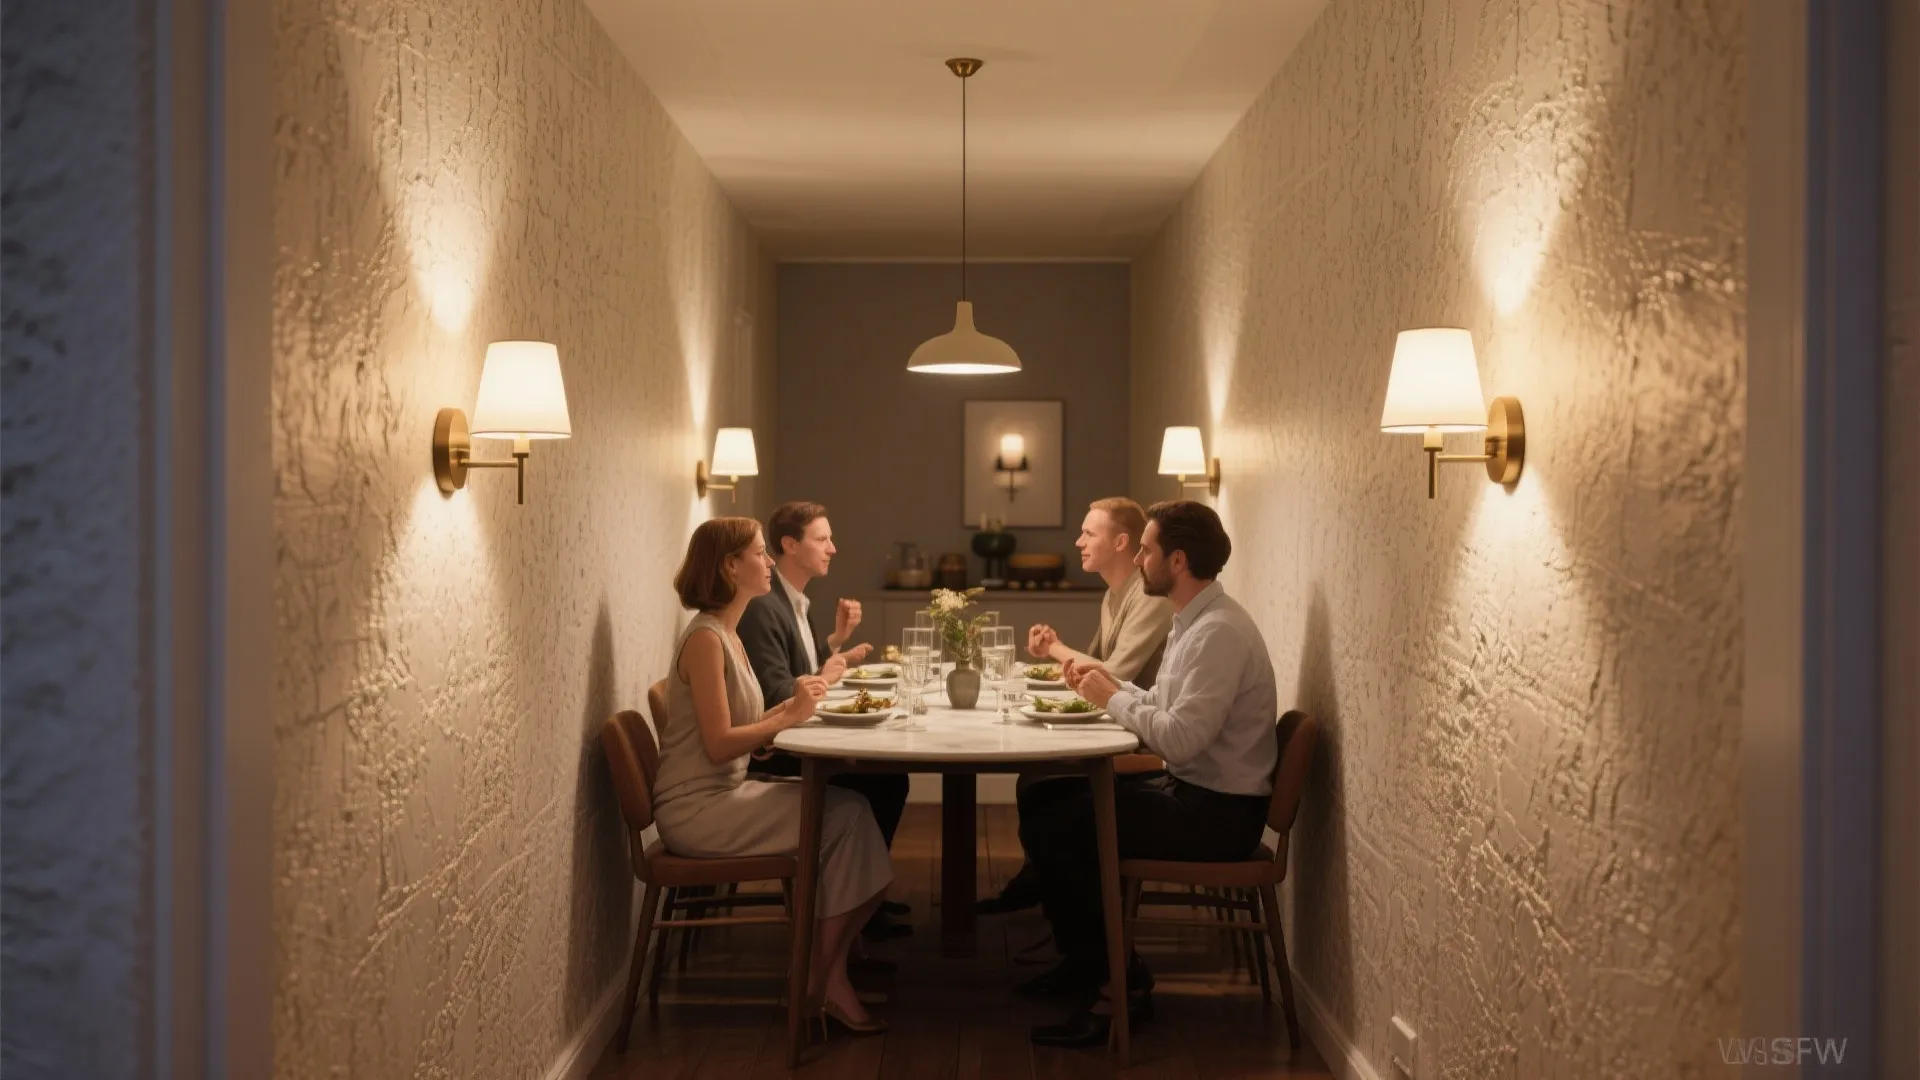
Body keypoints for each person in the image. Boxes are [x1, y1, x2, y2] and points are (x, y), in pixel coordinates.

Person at [1020, 501, 1279, 1047]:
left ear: (1178, 560)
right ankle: (1088, 963)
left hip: (1218, 814)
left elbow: (1180, 738)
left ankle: (1120, 987)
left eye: (1147, 549)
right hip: (1195, 791)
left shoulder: (1219, 634)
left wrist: (1111, 698)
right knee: (1049, 800)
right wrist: (1110, 688)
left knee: (1065, 823)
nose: (1138, 559)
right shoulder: (1195, 621)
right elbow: (1161, 702)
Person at [652, 517, 892, 1035]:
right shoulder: (706, 640)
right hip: (698, 811)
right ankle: (819, 980)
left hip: (724, 792)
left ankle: (823, 974)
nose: (767, 563)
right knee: (849, 818)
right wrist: (787, 716)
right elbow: (718, 744)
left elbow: (741, 727)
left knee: (853, 813)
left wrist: (791, 704)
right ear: (730, 566)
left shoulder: (727, 634)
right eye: (760, 554)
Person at [976, 497, 1175, 916]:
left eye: (1089, 533)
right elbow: (1087, 667)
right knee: (1033, 777)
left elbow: (1112, 674)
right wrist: (1054, 655)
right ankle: (1044, 882)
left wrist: (1055, 649)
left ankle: (1056, 894)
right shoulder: (1114, 593)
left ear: (1121, 542)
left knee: (1044, 783)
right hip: (1121, 720)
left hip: (1142, 736)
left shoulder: (1150, 596)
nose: (1078, 540)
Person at [739, 501, 913, 941]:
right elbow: (780, 694)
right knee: (882, 780)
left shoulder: (791, 599)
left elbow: (800, 665)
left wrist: (836, 643)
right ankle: (854, 904)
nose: (833, 548)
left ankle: (858, 897)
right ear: (789, 545)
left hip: (788, 735)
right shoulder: (764, 606)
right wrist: (825, 672)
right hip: (771, 752)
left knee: (887, 777)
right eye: (822, 539)